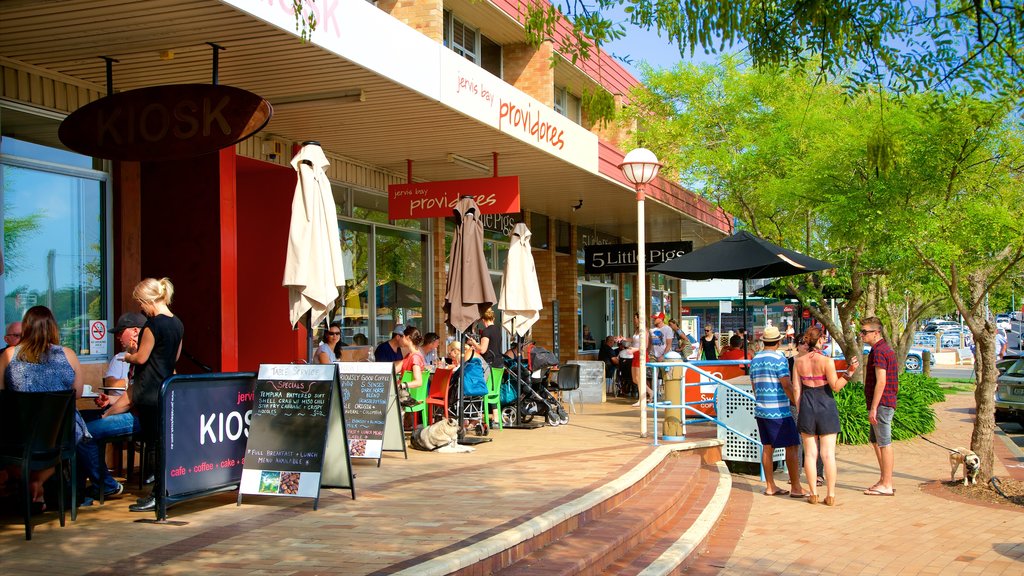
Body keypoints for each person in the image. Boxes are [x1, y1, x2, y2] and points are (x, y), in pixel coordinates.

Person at [108, 277, 184, 513]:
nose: (141, 308)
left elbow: (141, 357)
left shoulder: (153, 325)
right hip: (166, 387)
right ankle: (161, 491)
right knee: (163, 443)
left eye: (141, 303)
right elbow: (176, 357)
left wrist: (127, 356)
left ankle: (157, 494)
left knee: (153, 444)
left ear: (148, 299)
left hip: (149, 389)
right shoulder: (177, 323)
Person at [0, 306, 85, 511]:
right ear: (53, 328)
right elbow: (78, 393)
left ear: (26, 328)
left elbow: (1, 394)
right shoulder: (69, 355)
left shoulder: (8, 355)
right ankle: (37, 483)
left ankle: (27, 483)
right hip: (60, 434)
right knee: (74, 435)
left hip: (20, 432)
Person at [793, 326, 858, 506]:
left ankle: (813, 493)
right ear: (820, 340)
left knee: (810, 454)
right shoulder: (826, 361)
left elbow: (796, 388)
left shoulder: (799, 361)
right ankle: (830, 494)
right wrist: (849, 372)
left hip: (807, 404)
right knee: (828, 454)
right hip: (825, 404)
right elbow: (836, 386)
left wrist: (800, 408)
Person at [750, 326, 806, 497]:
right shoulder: (779, 359)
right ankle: (796, 487)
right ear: (779, 341)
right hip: (779, 410)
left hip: (761, 409)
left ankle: (770, 485)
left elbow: (753, 385)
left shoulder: (755, 359)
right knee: (792, 446)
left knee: (767, 447)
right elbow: (786, 384)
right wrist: (797, 402)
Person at [861, 316, 898, 497]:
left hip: (882, 404)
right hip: (880, 403)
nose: (862, 335)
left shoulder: (880, 351)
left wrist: (874, 407)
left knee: (884, 443)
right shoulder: (878, 350)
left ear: (876, 333)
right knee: (876, 441)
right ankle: (884, 479)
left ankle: (887, 483)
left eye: (865, 332)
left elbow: (881, 381)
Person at [468, 308, 503, 426]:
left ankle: (474, 418)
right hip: (499, 364)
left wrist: (473, 343)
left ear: (483, 320)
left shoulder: (486, 331)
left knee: (477, 387)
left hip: (489, 364)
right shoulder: (498, 330)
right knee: (493, 390)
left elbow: (482, 349)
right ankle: (496, 418)